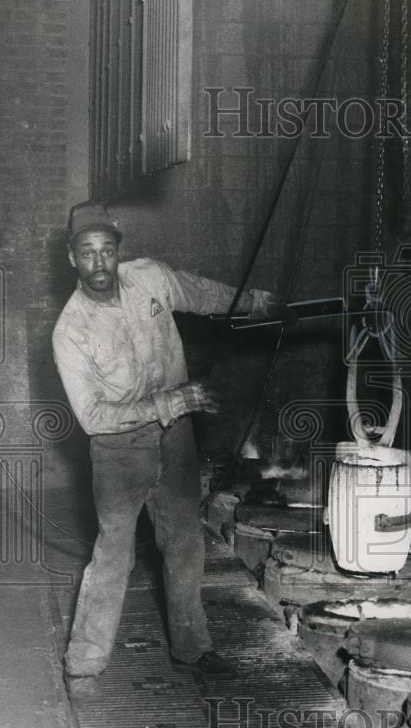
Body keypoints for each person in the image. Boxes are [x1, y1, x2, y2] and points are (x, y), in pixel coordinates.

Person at [52, 200, 275, 700]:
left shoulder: (150, 278)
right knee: (114, 555)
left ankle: (192, 649)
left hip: (175, 441)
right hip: (119, 450)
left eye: (106, 250)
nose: (99, 263)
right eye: (87, 253)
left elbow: (202, 293)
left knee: (185, 543)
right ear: (72, 258)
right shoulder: (71, 331)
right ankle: (83, 665)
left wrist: (258, 302)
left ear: (118, 250)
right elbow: (92, 417)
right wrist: (167, 400)